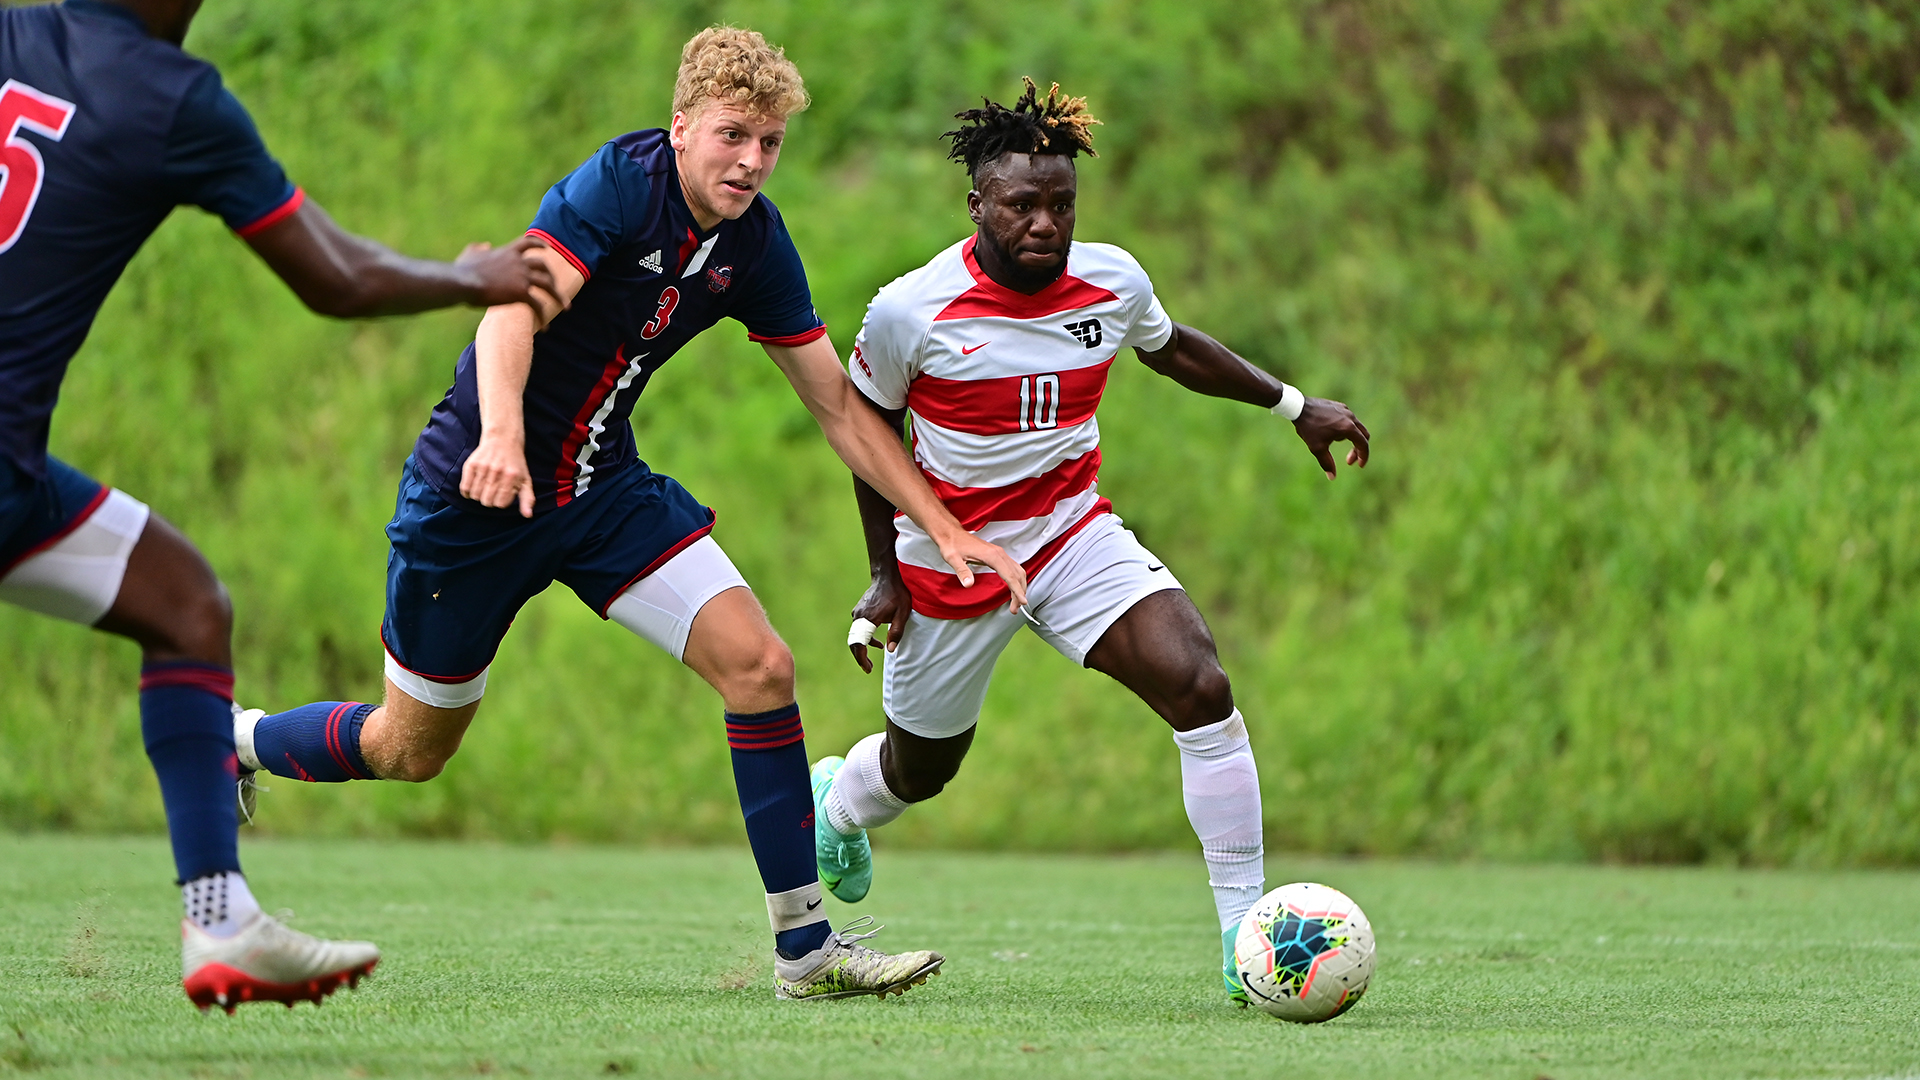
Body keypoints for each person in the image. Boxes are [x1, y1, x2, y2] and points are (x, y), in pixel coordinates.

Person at [236, 27, 1028, 1001]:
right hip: (473, 504)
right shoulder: (619, 185)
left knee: (762, 667)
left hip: (603, 491)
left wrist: (937, 526)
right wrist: (496, 437)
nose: (751, 160)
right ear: (683, 124)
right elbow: (512, 310)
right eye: (734, 135)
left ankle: (807, 954)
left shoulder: (755, 242)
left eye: (771, 142)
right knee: (408, 748)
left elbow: (837, 406)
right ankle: (232, 741)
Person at [0, 0, 555, 1011]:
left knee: (185, 605)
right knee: (186, 604)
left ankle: (221, 919)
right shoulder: (175, 99)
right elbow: (336, 276)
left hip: (12, 480)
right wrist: (468, 277)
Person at [809, 80, 1371, 1005]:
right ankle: (842, 802)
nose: (1044, 223)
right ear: (976, 206)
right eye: (1021, 204)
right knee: (922, 770)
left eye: (1060, 204)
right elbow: (866, 435)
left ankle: (1245, 938)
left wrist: (1294, 404)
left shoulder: (1112, 281)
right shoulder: (911, 311)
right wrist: (886, 576)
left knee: (1200, 683)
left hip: (1071, 533)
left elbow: (1172, 347)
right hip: (950, 557)